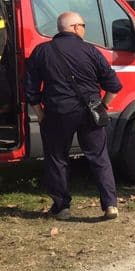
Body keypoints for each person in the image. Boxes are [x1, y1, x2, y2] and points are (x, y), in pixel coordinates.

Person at [24, 11, 122, 220]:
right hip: (89, 112)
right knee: (99, 157)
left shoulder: (42, 51)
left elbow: (30, 89)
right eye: (84, 25)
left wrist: (40, 114)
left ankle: (62, 208)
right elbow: (114, 85)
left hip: (57, 112)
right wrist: (102, 106)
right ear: (75, 27)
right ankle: (110, 205)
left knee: (57, 158)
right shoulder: (91, 51)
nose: (85, 29)